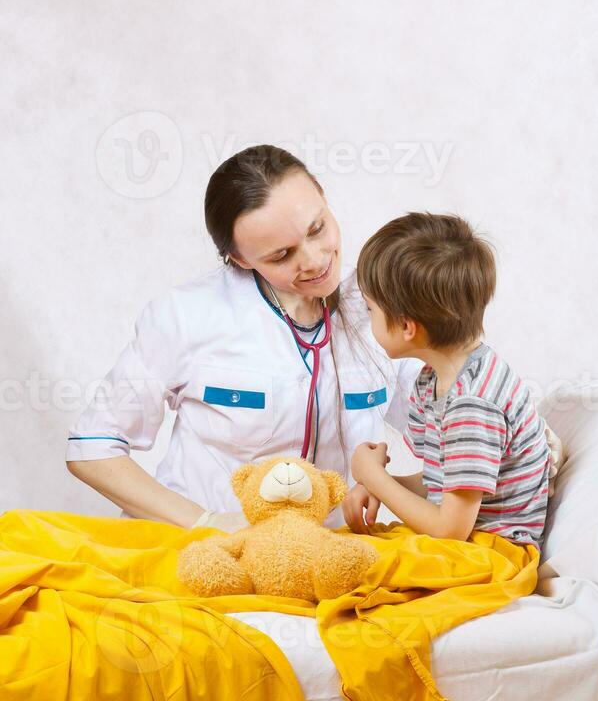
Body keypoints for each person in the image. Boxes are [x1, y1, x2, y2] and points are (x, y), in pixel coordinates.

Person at [65, 145, 424, 530]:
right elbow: (92, 447)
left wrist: (386, 485)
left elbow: (444, 433)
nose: (316, 260)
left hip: (329, 562)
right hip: (203, 560)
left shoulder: (381, 303)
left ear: (322, 194)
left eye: (317, 228)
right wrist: (207, 523)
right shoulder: (184, 316)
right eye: (282, 255)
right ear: (240, 258)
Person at [346, 212, 554, 551]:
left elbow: (449, 530)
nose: (368, 319)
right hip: (469, 540)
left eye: (371, 310)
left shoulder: (472, 405)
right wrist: (381, 484)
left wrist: (374, 478)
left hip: (494, 552)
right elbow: (442, 485)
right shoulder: (436, 379)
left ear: (406, 326)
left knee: (365, 568)